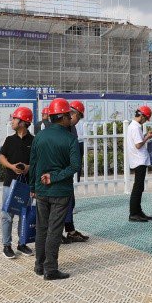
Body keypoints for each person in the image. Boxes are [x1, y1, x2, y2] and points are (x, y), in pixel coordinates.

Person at [29, 98, 80, 280]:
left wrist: (33, 186)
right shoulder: (70, 139)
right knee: (54, 230)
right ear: (63, 116)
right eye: (69, 115)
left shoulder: (39, 137)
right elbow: (75, 166)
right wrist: (55, 177)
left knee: (42, 228)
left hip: (41, 190)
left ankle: (39, 265)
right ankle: (50, 269)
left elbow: (33, 163)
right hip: (60, 191)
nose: (71, 119)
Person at [0, 106, 35, 259]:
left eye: (14, 119)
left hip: (26, 184)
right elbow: (2, 157)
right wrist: (11, 166)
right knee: (7, 215)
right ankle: (6, 245)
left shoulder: (34, 141)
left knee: (24, 214)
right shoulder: (9, 140)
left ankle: (22, 243)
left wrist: (28, 168)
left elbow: (38, 161)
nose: (12, 121)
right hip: (10, 183)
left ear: (23, 122)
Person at [62, 100, 89, 243]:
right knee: (62, 203)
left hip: (67, 172)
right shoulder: (60, 129)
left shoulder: (72, 128)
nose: (78, 121)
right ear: (72, 113)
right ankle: (57, 232)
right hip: (59, 172)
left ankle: (70, 230)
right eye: (78, 117)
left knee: (70, 202)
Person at [125, 105, 152, 222]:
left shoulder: (133, 126)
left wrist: (145, 136)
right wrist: (147, 137)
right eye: (146, 119)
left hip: (138, 160)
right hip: (139, 160)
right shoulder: (135, 127)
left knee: (139, 187)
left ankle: (138, 211)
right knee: (138, 188)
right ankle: (134, 213)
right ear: (142, 116)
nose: (145, 121)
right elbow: (138, 145)